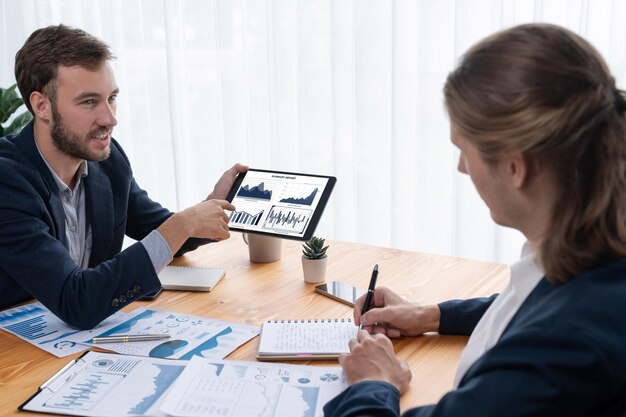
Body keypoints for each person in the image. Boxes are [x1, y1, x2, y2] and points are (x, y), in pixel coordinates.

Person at [324, 23, 626, 417]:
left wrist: (373, 384)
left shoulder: (562, 347)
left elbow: (549, 328)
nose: (462, 168)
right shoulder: (596, 256)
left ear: (516, 167)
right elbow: (532, 301)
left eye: (464, 150)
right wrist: (431, 315)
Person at [0, 24, 246, 330]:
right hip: (14, 356)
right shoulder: (6, 181)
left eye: (111, 98)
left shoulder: (107, 160)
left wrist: (209, 207)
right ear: (41, 106)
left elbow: (157, 229)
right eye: (89, 102)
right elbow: (77, 301)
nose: (110, 118)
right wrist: (181, 225)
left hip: (75, 346)